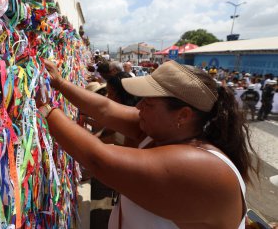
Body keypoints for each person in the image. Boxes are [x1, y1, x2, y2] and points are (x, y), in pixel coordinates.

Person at [38, 60, 259, 229]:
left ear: (183, 115)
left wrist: (45, 109)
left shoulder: (202, 166)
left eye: (149, 102)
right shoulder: (161, 130)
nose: (139, 106)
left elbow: (100, 160)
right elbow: (105, 109)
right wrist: (58, 83)